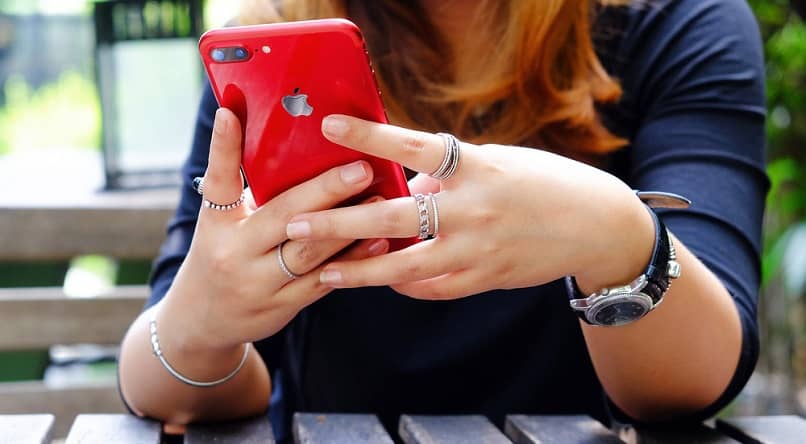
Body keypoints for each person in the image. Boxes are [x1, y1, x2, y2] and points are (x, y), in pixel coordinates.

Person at [118, 0, 768, 440]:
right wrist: (202, 322)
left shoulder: (679, 23)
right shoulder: (274, 40)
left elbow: (697, 381)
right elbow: (168, 380)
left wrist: (615, 235)